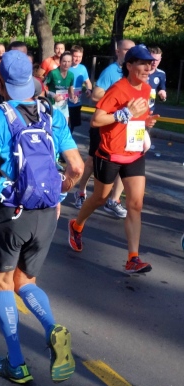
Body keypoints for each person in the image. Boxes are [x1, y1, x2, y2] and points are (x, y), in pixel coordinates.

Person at [0, 50, 84, 384]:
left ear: (0, 83)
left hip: (13, 211)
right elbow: (77, 167)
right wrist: (59, 190)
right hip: (47, 212)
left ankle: (16, 363)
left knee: (3, 283)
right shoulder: (51, 112)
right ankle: (51, 327)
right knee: (26, 282)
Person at [68, 45, 159, 274]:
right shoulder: (118, 89)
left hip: (134, 153)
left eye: (149, 64)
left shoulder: (146, 89)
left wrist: (145, 122)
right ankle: (76, 225)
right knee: (100, 198)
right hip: (110, 153)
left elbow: (136, 118)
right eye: (142, 63)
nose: (148, 68)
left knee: (135, 205)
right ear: (129, 65)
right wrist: (124, 113)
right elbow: (96, 120)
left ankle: (133, 258)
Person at [72, 39, 135, 213]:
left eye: (133, 49)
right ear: (118, 51)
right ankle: (80, 192)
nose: (131, 53)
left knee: (125, 162)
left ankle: (113, 200)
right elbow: (96, 95)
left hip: (126, 127)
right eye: (127, 50)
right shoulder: (111, 71)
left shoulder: (135, 73)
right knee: (93, 161)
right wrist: (119, 98)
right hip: (105, 125)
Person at [43, 51, 75, 120]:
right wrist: (53, 95)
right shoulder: (53, 73)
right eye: (64, 61)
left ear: (71, 62)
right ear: (60, 62)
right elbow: (43, 86)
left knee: (65, 125)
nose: (66, 64)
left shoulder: (71, 75)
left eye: (69, 61)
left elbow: (70, 88)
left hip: (64, 105)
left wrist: (73, 97)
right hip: (52, 105)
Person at [68, 45, 92, 134]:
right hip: (64, 101)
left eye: (80, 57)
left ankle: (69, 137)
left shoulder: (82, 68)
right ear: (71, 55)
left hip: (76, 101)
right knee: (64, 123)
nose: (77, 59)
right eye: (75, 56)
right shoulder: (65, 66)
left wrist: (89, 90)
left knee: (73, 124)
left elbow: (88, 82)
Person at [148, 46, 166, 111]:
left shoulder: (161, 74)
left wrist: (163, 96)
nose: (154, 62)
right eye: (152, 59)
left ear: (160, 59)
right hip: (136, 109)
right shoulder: (139, 71)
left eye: (157, 60)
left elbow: (161, 90)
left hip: (150, 110)